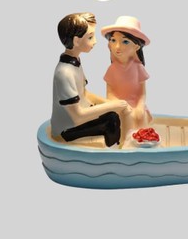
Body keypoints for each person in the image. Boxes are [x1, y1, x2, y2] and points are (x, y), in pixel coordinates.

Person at [51, 12, 130, 147]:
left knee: (113, 112)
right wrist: (113, 106)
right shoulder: (64, 73)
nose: (95, 41)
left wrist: (111, 103)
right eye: (90, 37)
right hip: (67, 128)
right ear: (76, 41)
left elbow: (84, 93)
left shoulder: (75, 63)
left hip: (79, 116)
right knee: (112, 120)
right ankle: (114, 151)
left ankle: (120, 144)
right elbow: (77, 116)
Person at [101, 16, 152, 144]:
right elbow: (110, 93)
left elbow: (142, 93)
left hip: (135, 103)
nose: (117, 46)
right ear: (109, 45)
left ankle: (143, 142)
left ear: (136, 47)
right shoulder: (112, 70)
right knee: (126, 117)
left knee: (141, 116)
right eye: (113, 40)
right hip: (118, 105)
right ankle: (125, 143)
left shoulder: (138, 68)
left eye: (125, 42)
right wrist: (120, 104)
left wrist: (140, 105)